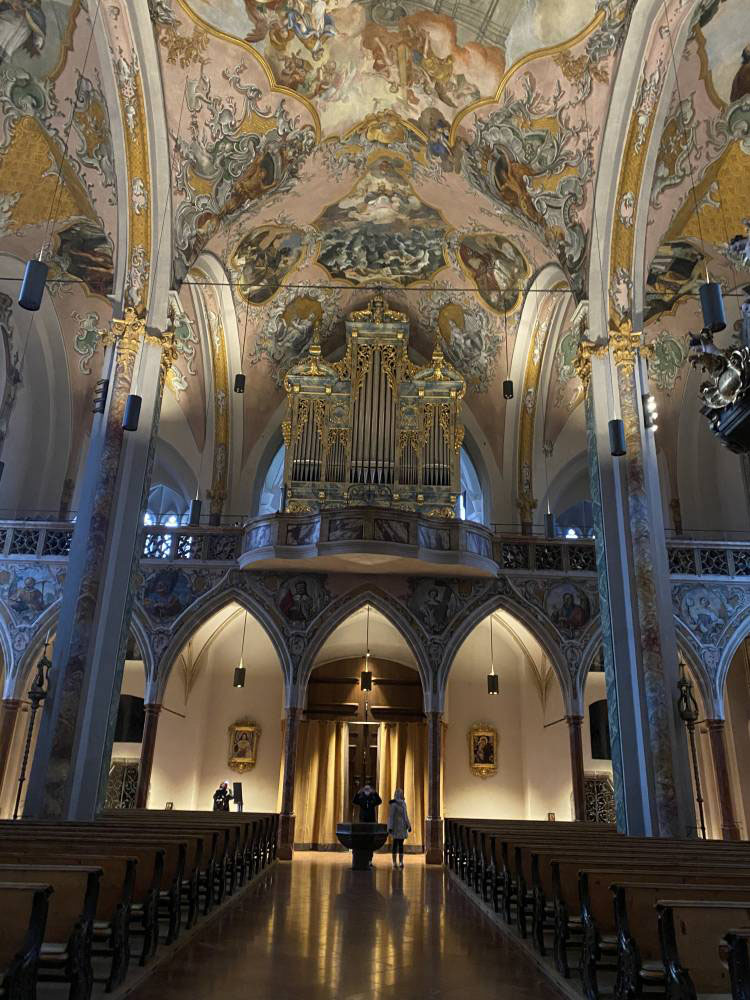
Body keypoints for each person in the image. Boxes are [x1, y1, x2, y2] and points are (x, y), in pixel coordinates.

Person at [387, 788, 411, 869]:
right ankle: (394, 862)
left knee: (401, 845)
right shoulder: (393, 804)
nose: (400, 794)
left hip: (402, 826)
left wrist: (408, 825)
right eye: (399, 793)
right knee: (395, 844)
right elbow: (391, 817)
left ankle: (401, 861)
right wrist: (390, 827)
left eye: (401, 793)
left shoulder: (403, 804)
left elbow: (405, 816)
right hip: (395, 826)